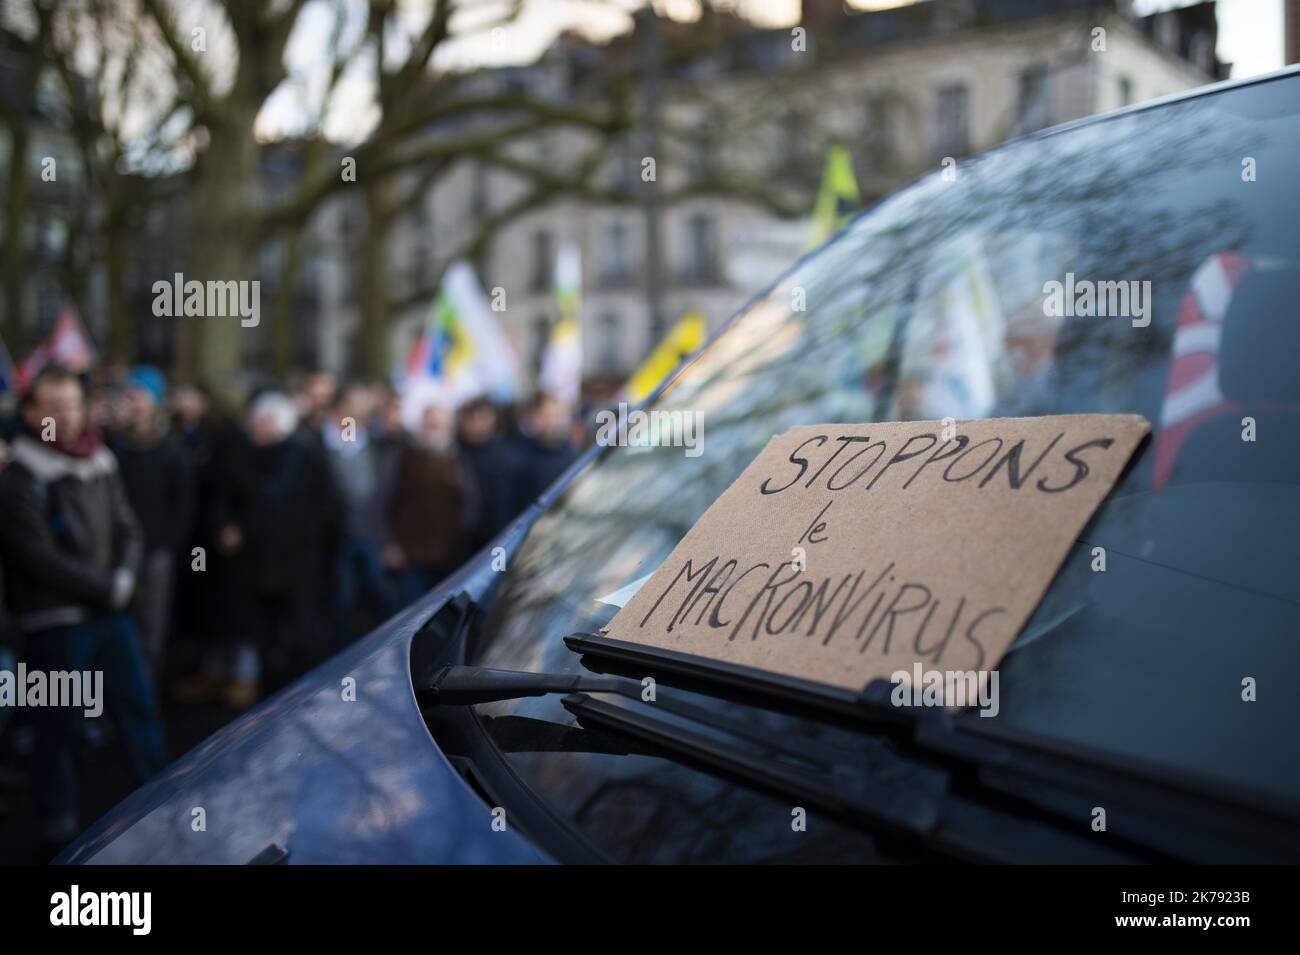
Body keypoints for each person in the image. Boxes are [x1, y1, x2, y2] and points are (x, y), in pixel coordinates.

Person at [0, 365, 163, 856]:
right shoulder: (21, 476)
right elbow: (37, 556)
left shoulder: (101, 459)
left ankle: (161, 800)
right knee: (58, 722)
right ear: (32, 413)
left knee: (137, 706)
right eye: (54, 407)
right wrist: (108, 587)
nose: (66, 416)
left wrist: (125, 578)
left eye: (73, 404)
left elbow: (129, 529)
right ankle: (59, 823)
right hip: (55, 621)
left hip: (109, 612)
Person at [212, 391, 342, 706]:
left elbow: (328, 509)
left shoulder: (308, 456)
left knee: (298, 633)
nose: (257, 429)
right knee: (260, 632)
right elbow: (223, 498)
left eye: (264, 422)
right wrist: (226, 526)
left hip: (298, 563)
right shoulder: (242, 455)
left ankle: (299, 694)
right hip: (255, 563)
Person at [110, 366, 192, 676]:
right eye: (130, 394)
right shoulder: (115, 446)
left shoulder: (172, 450)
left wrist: (166, 545)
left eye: (139, 395)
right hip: (117, 553)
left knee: (150, 632)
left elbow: (183, 505)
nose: (133, 401)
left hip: (155, 552)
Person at [383, 399, 477, 606]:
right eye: (431, 424)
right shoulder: (403, 457)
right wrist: (390, 543)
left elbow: (470, 508)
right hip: (411, 557)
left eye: (440, 425)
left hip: (449, 560)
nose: (435, 429)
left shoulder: (461, 462)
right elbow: (385, 501)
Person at [321, 381, 391, 643]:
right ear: (342, 406)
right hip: (333, 540)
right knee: (341, 603)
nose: (367, 407)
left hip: (371, 534)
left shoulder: (377, 443)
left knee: (376, 599)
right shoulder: (318, 443)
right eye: (359, 401)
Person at [457, 397, 521, 552]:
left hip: (497, 539)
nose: (477, 424)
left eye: (482, 418)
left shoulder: (505, 456)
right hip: (461, 542)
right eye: (472, 419)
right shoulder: (456, 453)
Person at [511, 392, 578, 511]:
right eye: (550, 416)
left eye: (559, 416)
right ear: (537, 417)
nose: (556, 422)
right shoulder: (521, 457)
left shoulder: (574, 458)